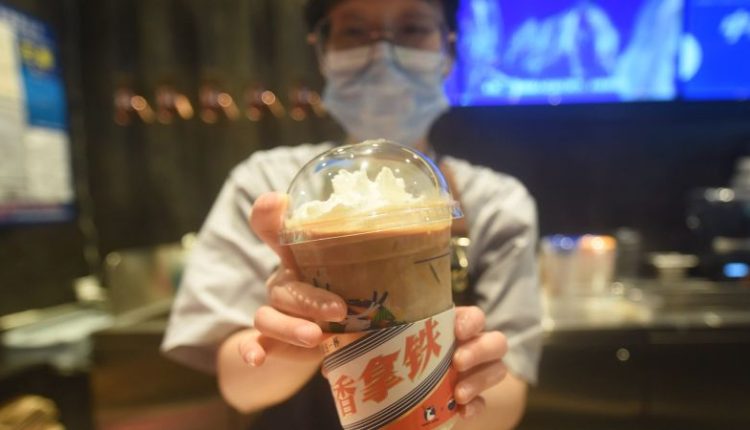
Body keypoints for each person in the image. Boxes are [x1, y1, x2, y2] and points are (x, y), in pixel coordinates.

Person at [161, 1, 543, 429]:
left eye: (413, 29)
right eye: (355, 32)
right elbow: (239, 388)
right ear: (321, 51)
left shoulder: (496, 203)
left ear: (448, 51)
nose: (383, 54)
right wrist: (302, 338)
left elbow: (508, 400)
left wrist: (460, 383)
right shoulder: (266, 184)